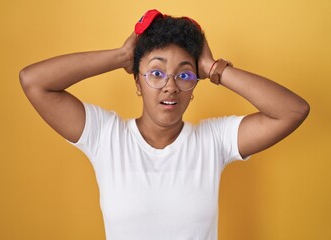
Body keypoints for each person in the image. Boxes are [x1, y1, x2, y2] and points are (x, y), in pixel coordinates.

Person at [19, 9, 309, 240]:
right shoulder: (105, 136)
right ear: (137, 80)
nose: (170, 87)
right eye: (156, 73)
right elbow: (34, 82)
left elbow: (292, 111)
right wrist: (122, 56)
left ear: (195, 85)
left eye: (184, 75)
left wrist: (212, 68)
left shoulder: (213, 141)